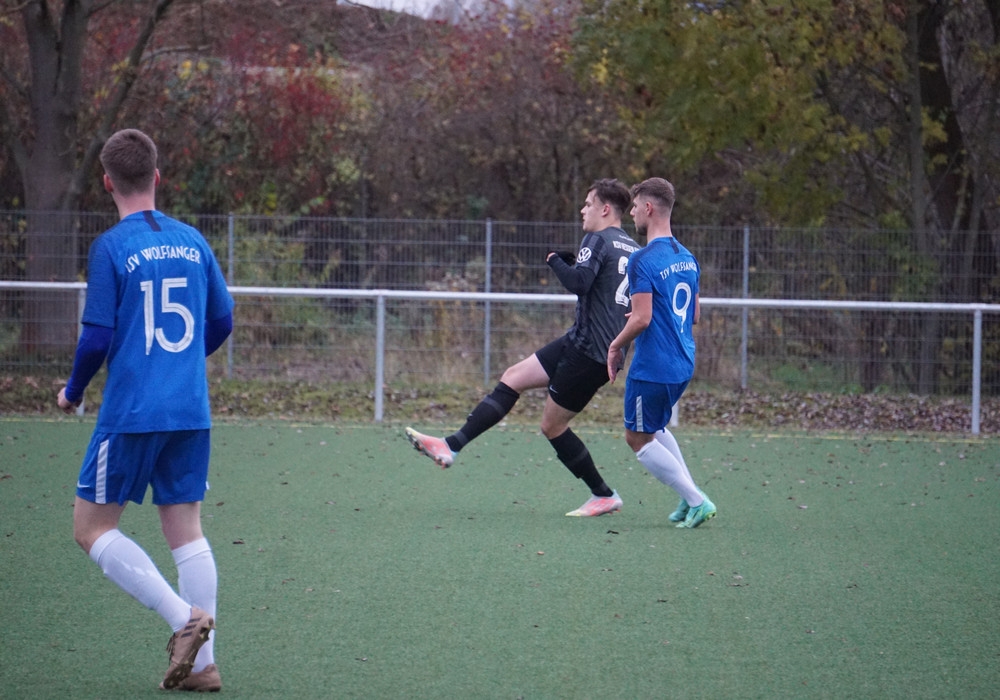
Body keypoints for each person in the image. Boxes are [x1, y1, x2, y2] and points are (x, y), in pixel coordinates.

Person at [56, 128, 235, 690]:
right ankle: (203, 668)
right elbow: (223, 320)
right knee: (186, 529)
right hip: (190, 409)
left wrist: (73, 390)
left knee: (91, 527)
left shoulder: (111, 247)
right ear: (157, 177)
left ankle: (184, 620)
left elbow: (95, 338)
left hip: (133, 411)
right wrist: (181, 364)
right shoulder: (193, 241)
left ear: (107, 182)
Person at [405, 178, 640, 516]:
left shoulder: (597, 239)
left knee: (552, 426)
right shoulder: (632, 247)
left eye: (588, 204)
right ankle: (450, 445)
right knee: (513, 376)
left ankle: (603, 494)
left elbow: (579, 283)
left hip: (589, 352)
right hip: (588, 344)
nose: (582, 210)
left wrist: (554, 260)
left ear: (605, 209)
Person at [607, 177, 716, 528]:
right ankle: (689, 497)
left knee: (637, 437)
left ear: (649, 208)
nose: (632, 213)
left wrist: (615, 345)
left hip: (653, 365)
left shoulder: (642, 259)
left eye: (635, 207)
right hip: (683, 361)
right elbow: (694, 315)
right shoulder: (687, 257)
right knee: (655, 426)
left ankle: (697, 501)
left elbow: (642, 318)